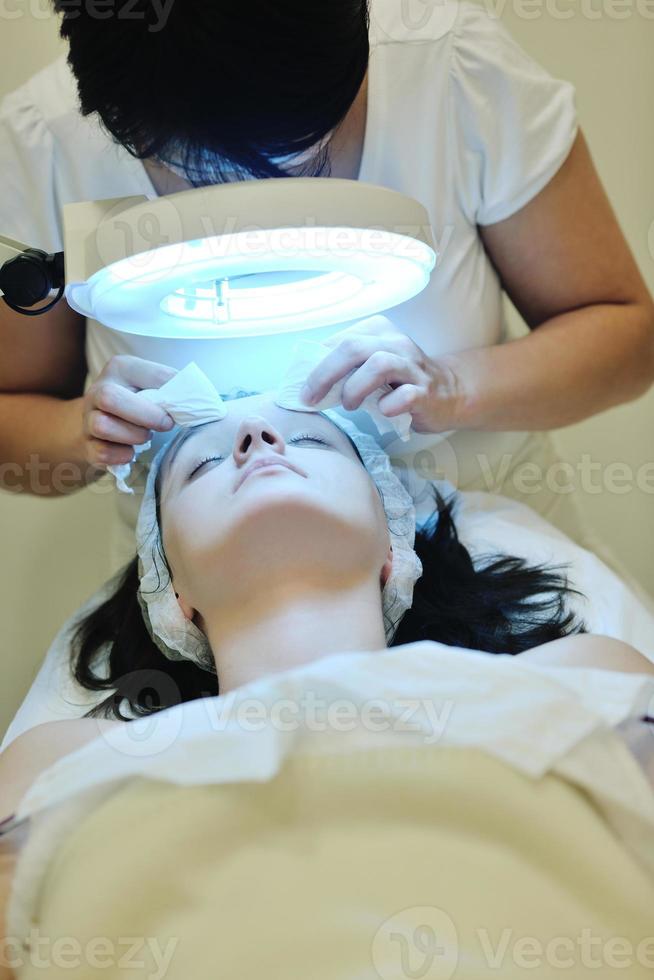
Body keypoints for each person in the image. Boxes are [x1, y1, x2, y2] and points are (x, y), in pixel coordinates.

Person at [1, 399, 653, 980]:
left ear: (394, 549)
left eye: (313, 441)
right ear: (173, 598)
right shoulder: (59, 756)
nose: (257, 435)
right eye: (200, 466)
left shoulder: (579, 671)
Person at [0, 0, 652, 573]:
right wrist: (76, 434)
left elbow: (625, 333)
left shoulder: (452, 70)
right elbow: (14, 417)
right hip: (220, 614)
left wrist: (456, 390)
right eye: (195, 174)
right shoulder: (43, 140)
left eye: (296, 156)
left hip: (497, 562)